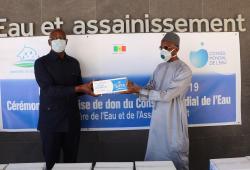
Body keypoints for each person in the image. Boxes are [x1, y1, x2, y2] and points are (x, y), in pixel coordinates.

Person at [124, 32, 192, 170]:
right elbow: (149, 90)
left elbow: (167, 96)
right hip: (157, 122)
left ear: (176, 49)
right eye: (161, 47)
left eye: (166, 47)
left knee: (176, 157)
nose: (163, 50)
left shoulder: (184, 70)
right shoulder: (159, 68)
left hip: (173, 122)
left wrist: (138, 90)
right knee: (154, 159)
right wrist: (132, 88)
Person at [34, 29, 95, 170]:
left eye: (62, 38)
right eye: (55, 38)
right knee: (51, 163)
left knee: (71, 162)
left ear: (66, 41)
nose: (59, 40)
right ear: (49, 42)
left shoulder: (74, 63)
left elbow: (79, 89)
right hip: (51, 123)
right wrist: (78, 89)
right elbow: (48, 90)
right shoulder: (41, 63)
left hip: (71, 121)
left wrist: (91, 89)